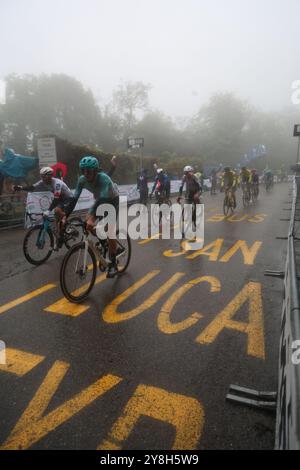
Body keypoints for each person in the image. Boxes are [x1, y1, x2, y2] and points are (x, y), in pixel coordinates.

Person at [66, 156, 120, 278]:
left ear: (96, 171)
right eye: (83, 171)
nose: (86, 174)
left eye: (88, 171)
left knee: (109, 229)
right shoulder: (82, 180)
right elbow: (74, 199)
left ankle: (113, 264)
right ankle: (104, 243)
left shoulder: (104, 179)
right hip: (100, 200)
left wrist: (92, 217)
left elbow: (102, 201)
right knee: (87, 224)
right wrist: (65, 216)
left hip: (112, 201)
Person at [13, 167, 73, 248]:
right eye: (41, 176)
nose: (42, 179)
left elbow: (56, 199)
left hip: (67, 198)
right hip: (60, 199)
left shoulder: (57, 183)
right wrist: (21, 188)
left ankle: (67, 223)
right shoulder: (43, 181)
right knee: (56, 219)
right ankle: (60, 237)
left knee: (57, 211)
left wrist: (48, 210)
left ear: (49, 176)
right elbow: (32, 187)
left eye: (44, 176)